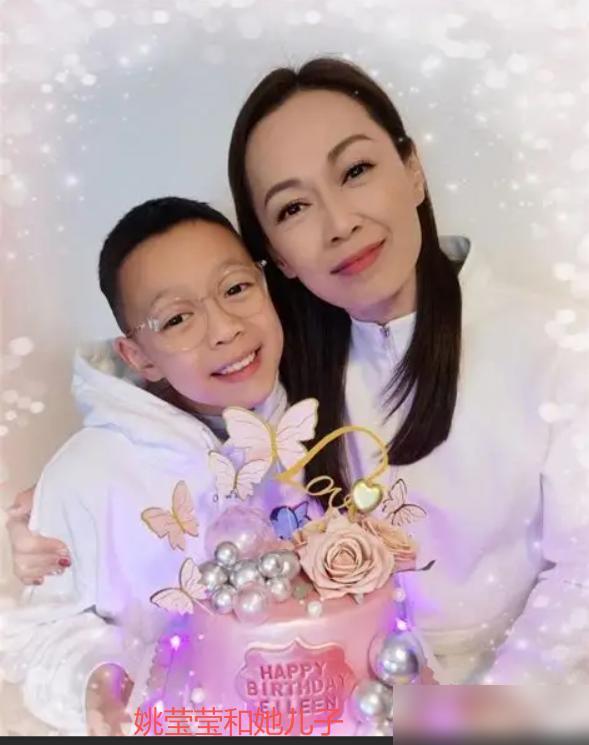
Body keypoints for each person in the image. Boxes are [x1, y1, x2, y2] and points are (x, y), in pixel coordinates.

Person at [225, 57, 589, 684]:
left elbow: (581, 572)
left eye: (356, 171)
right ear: (276, 257)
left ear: (413, 170)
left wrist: (481, 712)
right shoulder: (269, 383)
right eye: (293, 208)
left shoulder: (554, 346)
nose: (340, 224)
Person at [0, 196, 313, 735]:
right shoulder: (87, 473)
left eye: (236, 288)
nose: (224, 329)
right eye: (176, 319)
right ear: (138, 355)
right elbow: (36, 633)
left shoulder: (320, 416)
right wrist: (101, 684)